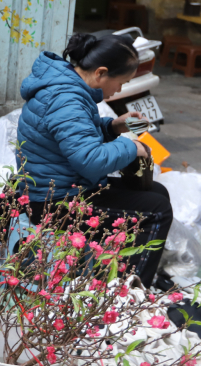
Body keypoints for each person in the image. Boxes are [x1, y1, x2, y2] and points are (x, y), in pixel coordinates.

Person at [17, 33, 172, 288]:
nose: (119, 90)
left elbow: (74, 136)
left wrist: (112, 127)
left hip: (67, 187)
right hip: (52, 201)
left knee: (158, 193)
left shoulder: (66, 86)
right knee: (156, 211)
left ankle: (107, 272)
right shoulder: (66, 98)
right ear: (101, 73)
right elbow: (89, 160)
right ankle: (128, 293)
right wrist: (131, 146)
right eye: (121, 82)